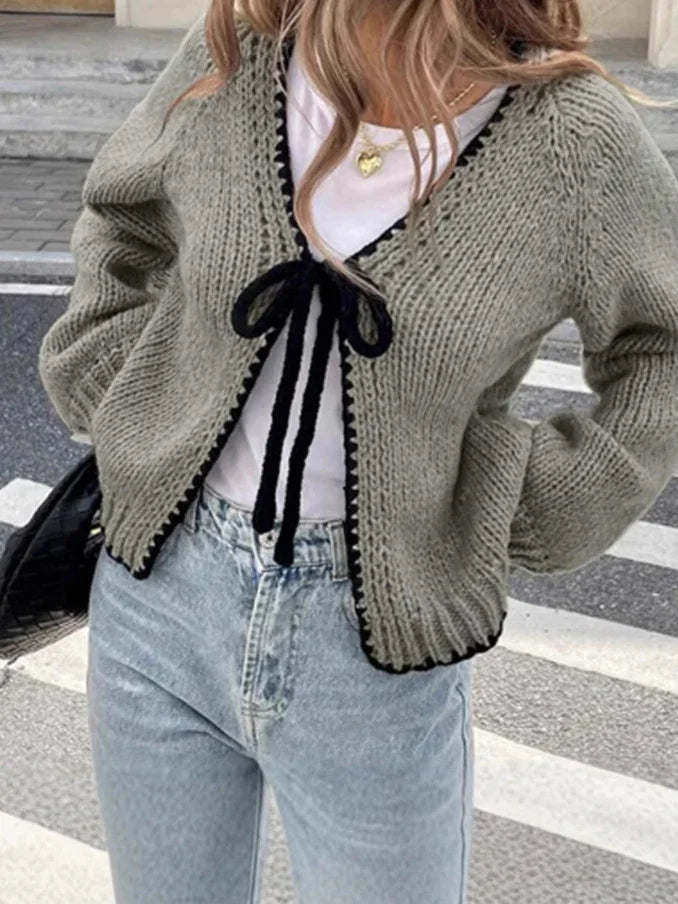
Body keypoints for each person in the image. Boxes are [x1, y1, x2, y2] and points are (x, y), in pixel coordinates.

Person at [37, 1, 678, 902]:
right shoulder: (246, 47)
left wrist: (539, 502)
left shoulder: (573, 139)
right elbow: (125, 214)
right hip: (160, 606)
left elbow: (661, 342)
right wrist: (118, 385)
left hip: (375, 654)